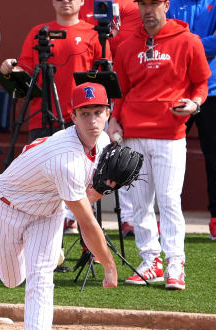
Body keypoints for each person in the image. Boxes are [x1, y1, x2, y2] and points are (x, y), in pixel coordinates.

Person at [0, 83, 118, 330]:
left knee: (40, 279)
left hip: (48, 212)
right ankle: (42, 254)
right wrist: (109, 266)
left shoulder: (103, 142)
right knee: (10, 279)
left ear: (108, 113)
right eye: (84, 114)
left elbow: (83, 199)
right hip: (7, 206)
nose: (92, 120)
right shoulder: (65, 157)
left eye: (98, 112)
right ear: (72, 117)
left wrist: (104, 186)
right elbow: (86, 222)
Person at [107, 0, 210, 290]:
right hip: (133, 133)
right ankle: (151, 260)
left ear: (166, 5)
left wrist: (194, 104)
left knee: (168, 200)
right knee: (139, 202)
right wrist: (114, 120)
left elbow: (202, 84)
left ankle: (175, 263)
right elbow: (121, 92)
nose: (147, 10)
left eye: (154, 3)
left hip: (170, 133)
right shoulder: (127, 45)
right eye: (142, 4)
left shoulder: (189, 41)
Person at [0, 0, 110, 234]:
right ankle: (43, 242)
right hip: (42, 115)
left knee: (84, 181)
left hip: (81, 118)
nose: (66, 1)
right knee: (41, 182)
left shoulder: (93, 34)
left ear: (82, 1)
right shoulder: (38, 33)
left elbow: (106, 78)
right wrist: (10, 69)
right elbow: (26, 71)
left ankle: (88, 246)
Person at [167, 0, 216, 241]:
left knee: (215, 156)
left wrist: (182, 45)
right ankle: (163, 217)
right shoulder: (171, 3)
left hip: (212, 89)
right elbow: (161, 40)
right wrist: (186, 46)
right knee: (167, 153)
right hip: (175, 90)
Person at [79, 0, 141, 238]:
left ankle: (128, 217)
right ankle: (74, 215)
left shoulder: (133, 8)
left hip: (122, 87)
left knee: (120, 153)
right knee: (84, 150)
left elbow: (129, 46)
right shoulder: (84, 6)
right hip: (90, 87)